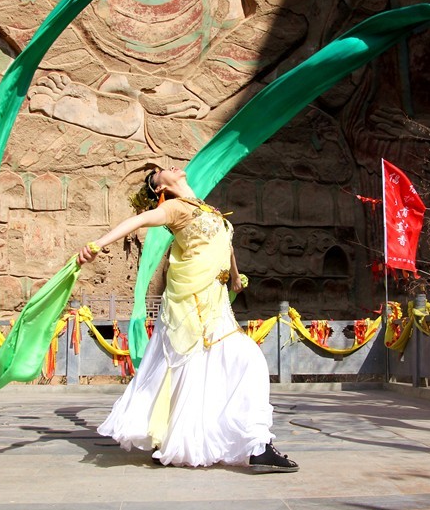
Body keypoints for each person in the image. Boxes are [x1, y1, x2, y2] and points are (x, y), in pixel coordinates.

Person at [77, 166, 298, 473]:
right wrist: (98, 245)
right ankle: (257, 446)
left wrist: (235, 276)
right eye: (159, 173)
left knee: (196, 370)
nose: (167, 167)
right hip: (194, 302)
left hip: (215, 300)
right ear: (160, 189)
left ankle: (177, 441)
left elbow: (225, 242)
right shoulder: (174, 208)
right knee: (248, 361)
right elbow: (137, 221)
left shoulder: (207, 208)